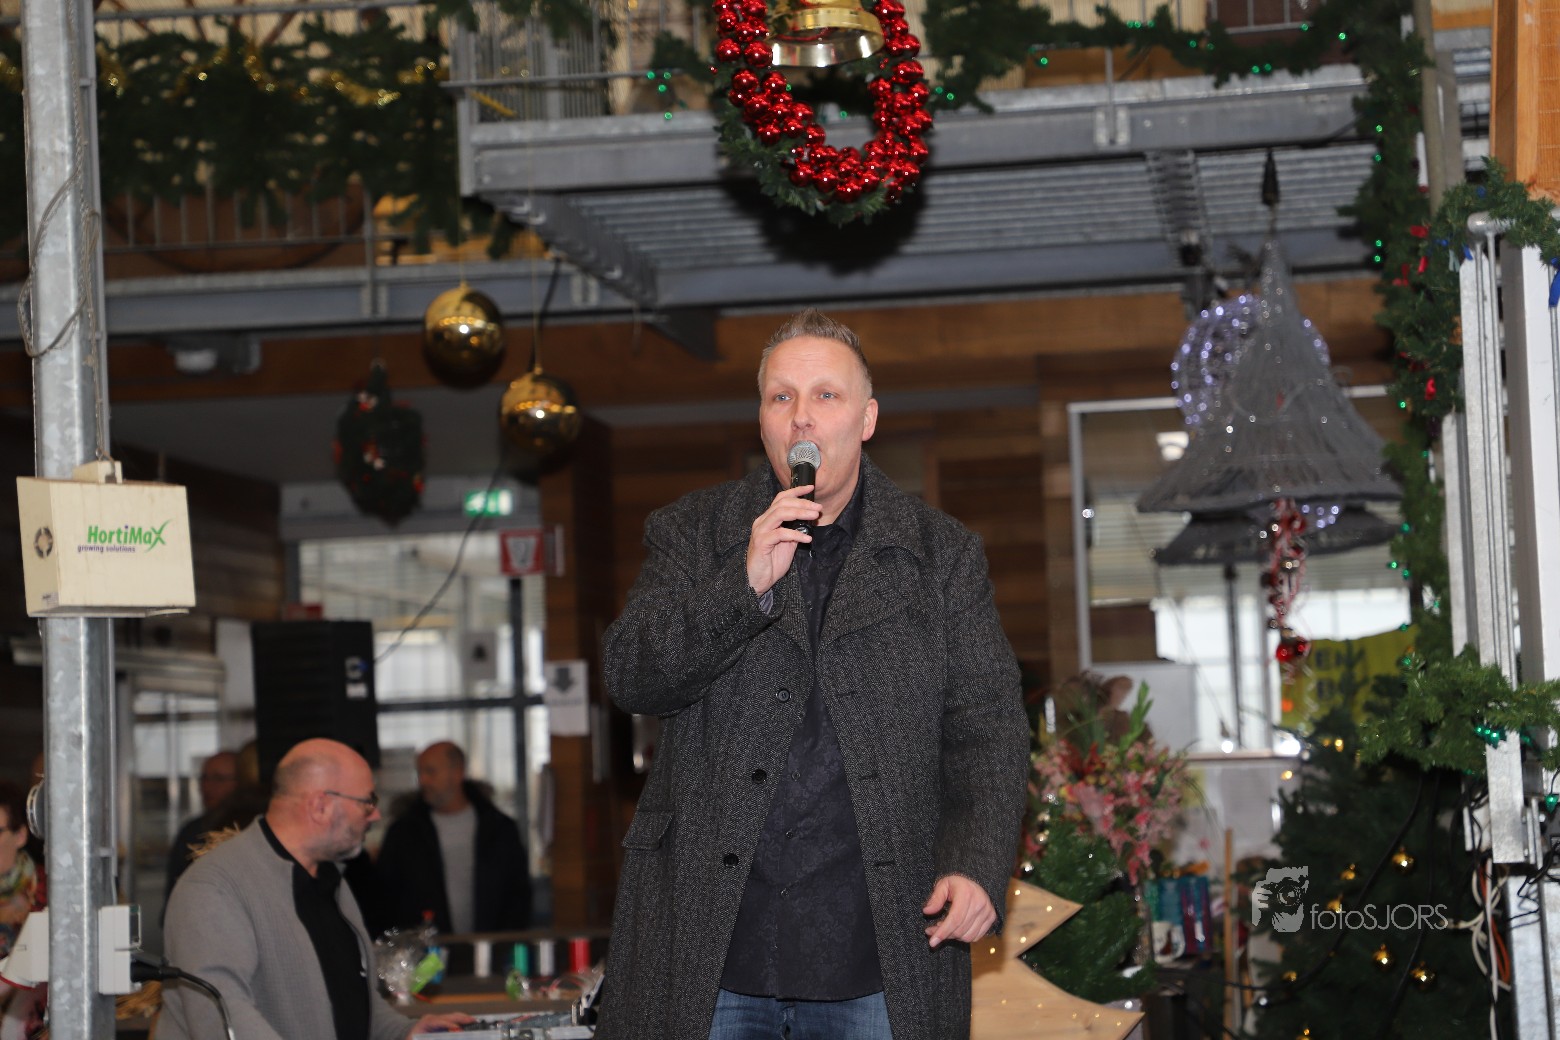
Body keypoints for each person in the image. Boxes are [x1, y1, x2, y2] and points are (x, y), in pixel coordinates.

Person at [596, 309, 1031, 1040]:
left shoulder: (941, 555)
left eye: (826, 396)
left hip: (879, 953)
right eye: (782, 397)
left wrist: (976, 862)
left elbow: (989, 729)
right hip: (710, 952)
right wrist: (741, 586)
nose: (802, 416)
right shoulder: (693, 533)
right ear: (763, 423)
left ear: (866, 419)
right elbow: (632, 676)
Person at [159, 738, 473, 1040]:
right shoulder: (214, 887)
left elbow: (356, 1003)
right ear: (320, 806)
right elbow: (221, 1017)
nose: (375, 815)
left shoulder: (331, 881)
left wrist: (404, 1032)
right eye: (367, 802)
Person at [375, 741, 532, 935]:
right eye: (420, 773)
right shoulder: (404, 833)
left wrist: (503, 940)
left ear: (457, 773)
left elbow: (517, 894)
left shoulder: (499, 829)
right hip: (424, 948)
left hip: (490, 946)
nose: (423, 780)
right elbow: (386, 896)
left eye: (430, 772)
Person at [164, 749, 239, 904]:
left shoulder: (251, 830)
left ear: (240, 783)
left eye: (219, 779)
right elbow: (174, 895)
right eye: (204, 778)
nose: (207, 786)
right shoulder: (191, 832)